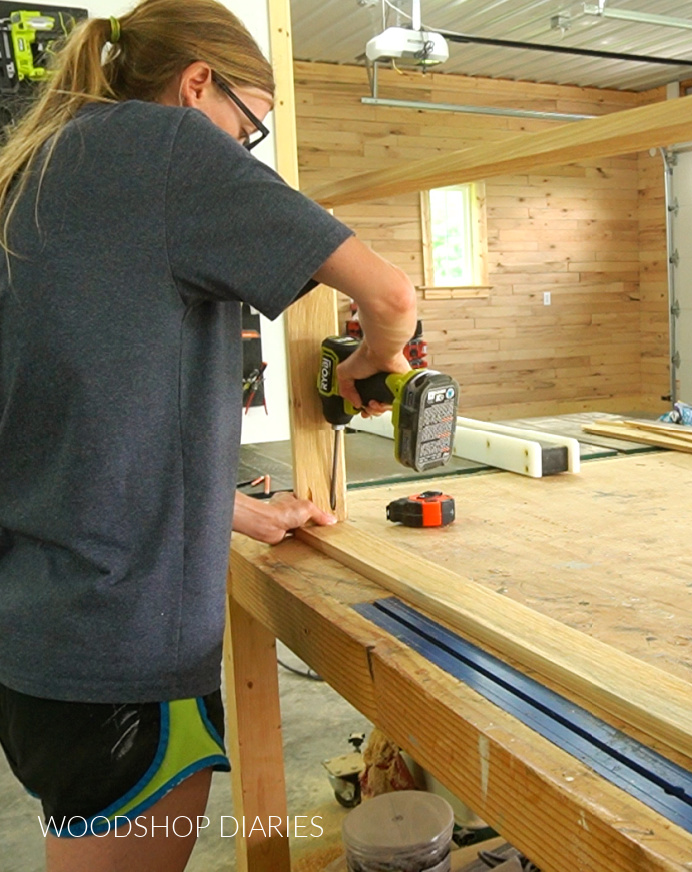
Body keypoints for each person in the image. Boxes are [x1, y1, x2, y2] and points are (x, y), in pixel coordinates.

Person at [0, 2, 417, 870]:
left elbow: (70, 421)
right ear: (197, 86)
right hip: (124, 645)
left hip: (38, 634)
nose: (243, 154)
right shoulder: (168, 148)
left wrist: (223, 507)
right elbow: (390, 298)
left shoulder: (34, 167)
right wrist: (372, 359)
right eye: (248, 128)